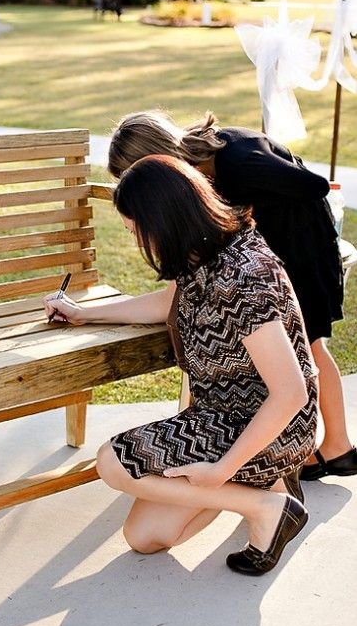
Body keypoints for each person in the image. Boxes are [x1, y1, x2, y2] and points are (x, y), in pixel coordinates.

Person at [44, 155, 317, 574]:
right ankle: (265, 489)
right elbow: (164, 304)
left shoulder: (239, 278)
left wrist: (220, 470)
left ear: (162, 221)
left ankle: (267, 507)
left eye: (136, 231)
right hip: (226, 418)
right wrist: (84, 313)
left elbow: (291, 393)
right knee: (145, 535)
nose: (138, 242)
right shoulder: (203, 255)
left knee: (112, 462)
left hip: (267, 425)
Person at [107, 110, 356, 482]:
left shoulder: (235, 161)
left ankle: (337, 446)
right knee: (300, 349)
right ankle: (320, 447)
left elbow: (312, 185)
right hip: (270, 251)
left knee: (310, 345)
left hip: (300, 253)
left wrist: (246, 218)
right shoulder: (208, 165)